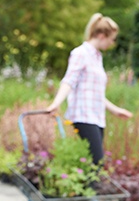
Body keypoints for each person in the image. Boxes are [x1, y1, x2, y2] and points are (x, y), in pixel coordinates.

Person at [46, 13, 133, 165]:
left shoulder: (97, 57)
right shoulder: (80, 53)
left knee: (94, 163)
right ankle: (90, 189)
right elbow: (69, 81)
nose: (112, 44)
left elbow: (95, 93)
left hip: (96, 116)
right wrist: (56, 103)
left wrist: (115, 110)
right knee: (97, 161)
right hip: (83, 115)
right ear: (101, 35)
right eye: (111, 39)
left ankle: (86, 188)